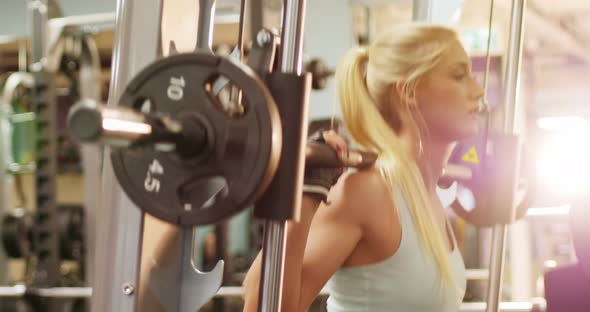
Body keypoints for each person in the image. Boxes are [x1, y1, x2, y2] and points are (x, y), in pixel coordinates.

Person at [242, 23, 484, 312]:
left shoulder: (426, 197)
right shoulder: (369, 192)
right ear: (408, 91)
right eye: (459, 75)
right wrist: (307, 190)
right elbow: (263, 305)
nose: (478, 90)